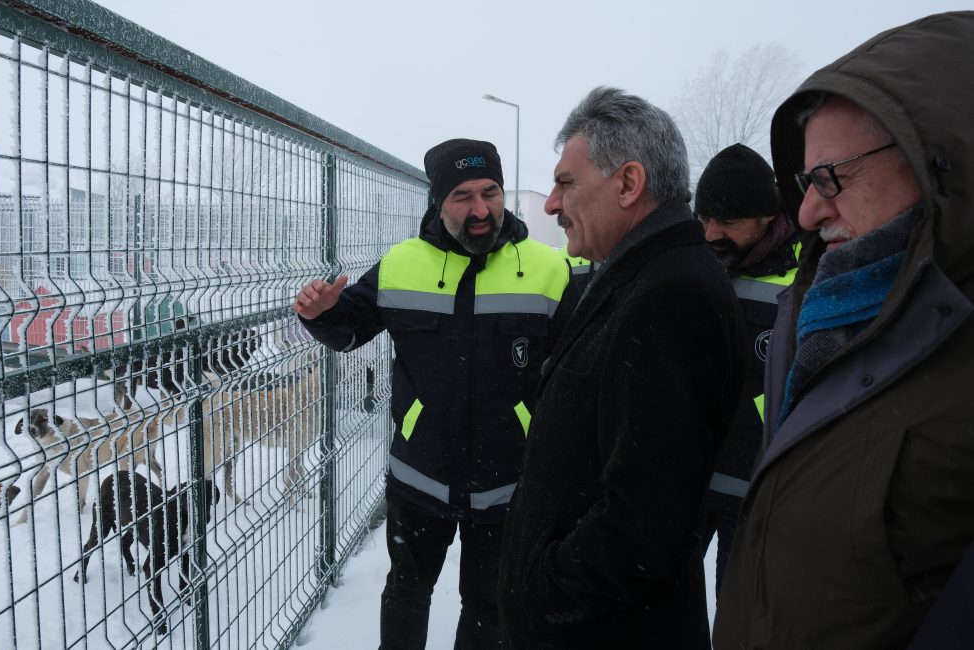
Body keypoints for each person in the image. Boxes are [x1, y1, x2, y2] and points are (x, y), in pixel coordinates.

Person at [714, 11, 974, 650]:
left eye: (832, 177)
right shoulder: (818, 317)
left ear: (940, 166)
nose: (805, 211)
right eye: (804, 182)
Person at [293, 138, 576, 650]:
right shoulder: (401, 263)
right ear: (437, 202)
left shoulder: (548, 269)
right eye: (462, 196)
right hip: (418, 478)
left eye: (490, 192)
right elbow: (350, 329)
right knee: (406, 592)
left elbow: (575, 372)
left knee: (489, 605)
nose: (481, 209)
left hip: (508, 484)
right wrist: (320, 315)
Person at [496, 86, 745, 649]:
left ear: (629, 184)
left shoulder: (670, 296)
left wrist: (543, 598)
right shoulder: (642, 274)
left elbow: (642, 525)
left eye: (566, 183)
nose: (553, 205)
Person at [692, 143, 798, 595]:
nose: (711, 232)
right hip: (684, 490)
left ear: (768, 217)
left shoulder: (803, 282)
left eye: (728, 222)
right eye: (704, 218)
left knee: (740, 627)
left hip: (758, 502)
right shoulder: (693, 267)